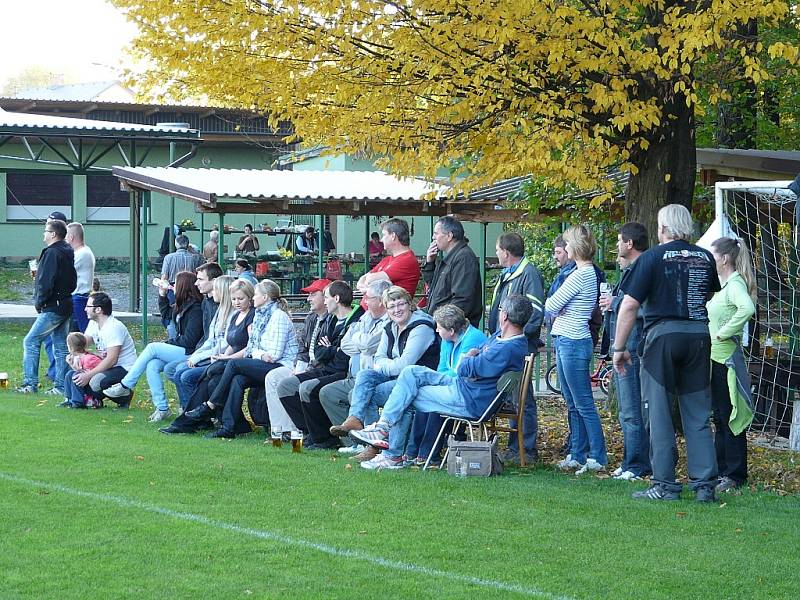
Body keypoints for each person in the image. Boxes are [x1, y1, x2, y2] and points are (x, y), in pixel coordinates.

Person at [348, 294, 531, 470]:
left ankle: (392, 454)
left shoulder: (507, 348)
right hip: (464, 387)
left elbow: (464, 368)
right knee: (411, 372)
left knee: (406, 395)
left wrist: (469, 358)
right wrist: (472, 358)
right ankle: (383, 429)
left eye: (499, 309)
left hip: (469, 400)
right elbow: (471, 363)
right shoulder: (503, 338)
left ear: (504, 315)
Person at [613, 204, 721, 502]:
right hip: (699, 336)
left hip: (662, 338)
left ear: (662, 229)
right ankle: (704, 487)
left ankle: (665, 485)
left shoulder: (651, 258)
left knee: (659, 412)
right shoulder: (705, 257)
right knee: (698, 413)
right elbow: (709, 292)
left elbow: (630, 305)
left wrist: (619, 348)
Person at [330, 285, 439, 466]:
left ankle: (382, 449)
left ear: (410, 304)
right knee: (365, 375)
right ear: (386, 309)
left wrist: (385, 366)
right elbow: (378, 358)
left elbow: (405, 365)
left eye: (401, 304)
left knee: (373, 394)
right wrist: (386, 365)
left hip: (419, 381)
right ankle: (355, 420)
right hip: (398, 377)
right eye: (392, 306)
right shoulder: (390, 326)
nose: (397, 310)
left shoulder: (421, 327)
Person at [181, 279, 299, 438]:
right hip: (262, 362)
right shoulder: (260, 314)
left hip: (280, 366)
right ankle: (229, 427)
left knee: (233, 364)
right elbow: (252, 347)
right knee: (237, 379)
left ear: (265, 297)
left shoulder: (278, 316)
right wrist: (258, 352)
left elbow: (274, 355)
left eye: (255, 295)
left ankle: (211, 404)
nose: (253, 298)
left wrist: (257, 353)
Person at [545, 225, 608, 475]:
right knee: (572, 402)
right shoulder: (582, 273)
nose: (566, 248)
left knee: (583, 402)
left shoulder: (581, 274)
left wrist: (560, 308)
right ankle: (577, 453)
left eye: (568, 244)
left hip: (573, 340)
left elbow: (551, 304)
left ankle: (597, 455)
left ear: (576, 248)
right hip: (567, 339)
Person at [103, 271, 204, 421]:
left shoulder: (195, 309)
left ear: (183, 286)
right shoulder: (182, 305)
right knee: (152, 365)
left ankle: (125, 385)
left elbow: (190, 340)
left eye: (176, 283)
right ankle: (162, 408)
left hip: (192, 353)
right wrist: (162, 295)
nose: (173, 286)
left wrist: (167, 343)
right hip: (183, 349)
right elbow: (166, 314)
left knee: (152, 348)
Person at [160, 279, 255, 434]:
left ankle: (194, 418)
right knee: (208, 378)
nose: (237, 302)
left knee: (206, 377)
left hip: (244, 362)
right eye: (234, 299)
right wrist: (224, 355)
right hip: (228, 360)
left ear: (250, 298)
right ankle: (192, 420)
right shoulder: (236, 315)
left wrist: (226, 358)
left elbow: (249, 347)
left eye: (241, 299)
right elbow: (232, 342)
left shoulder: (252, 316)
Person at [277, 280, 364, 449]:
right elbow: (318, 352)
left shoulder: (357, 320)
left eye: (326, 297)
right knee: (285, 386)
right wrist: (333, 349)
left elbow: (343, 359)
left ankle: (324, 438)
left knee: (307, 388)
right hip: (324, 368)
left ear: (336, 298)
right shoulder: (329, 320)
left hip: (342, 373)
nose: (324, 301)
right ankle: (310, 432)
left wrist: (330, 349)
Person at [402, 304, 487, 467]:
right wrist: (440, 378)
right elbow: (442, 368)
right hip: (451, 383)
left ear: (452, 330)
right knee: (422, 395)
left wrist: (439, 378)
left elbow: (460, 372)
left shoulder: (473, 339)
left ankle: (428, 454)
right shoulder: (447, 340)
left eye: (439, 328)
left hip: (468, 390)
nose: (436, 331)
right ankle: (413, 451)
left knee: (432, 402)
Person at [598, 222, 651, 481]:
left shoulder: (644, 269)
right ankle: (632, 460)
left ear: (630, 244)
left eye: (620, 241)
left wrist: (615, 302)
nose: (617, 246)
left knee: (632, 409)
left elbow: (644, 306)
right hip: (625, 347)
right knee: (626, 409)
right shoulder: (631, 270)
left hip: (632, 348)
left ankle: (637, 464)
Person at [488, 231, 545, 463]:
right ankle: (514, 447)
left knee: (522, 398)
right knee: (511, 396)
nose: (496, 254)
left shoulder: (529, 274)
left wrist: (518, 337)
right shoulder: (508, 274)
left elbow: (536, 312)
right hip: (505, 343)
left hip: (518, 346)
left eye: (497, 250)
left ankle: (526, 450)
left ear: (507, 252)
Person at [707, 237, 757, 494]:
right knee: (720, 416)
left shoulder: (735, 284)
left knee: (730, 417)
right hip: (716, 360)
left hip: (726, 362)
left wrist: (723, 333)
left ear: (724, 258)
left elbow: (747, 308)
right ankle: (722, 469)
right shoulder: (723, 286)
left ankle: (735, 474)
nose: (710, 259)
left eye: (712, 255)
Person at [319, 280, 391, 452]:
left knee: (356, 394)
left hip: (377, 377)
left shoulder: (389, 320)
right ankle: (354, 443)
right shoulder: (366, 316)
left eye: (368, 297)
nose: (364, 301)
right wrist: (362, 342)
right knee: (327, 393)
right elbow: (345, 344)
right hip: (355, 375)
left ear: (381, 300)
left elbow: (368, 345)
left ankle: (371, 445)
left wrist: (359, 340)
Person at [263, 278, 333, 437]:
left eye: (313, 295)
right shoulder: (311, 318)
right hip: (304, 366)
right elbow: (303, 349)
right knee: (273, 377)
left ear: (326, 296)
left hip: (320, 370)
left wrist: (304, 370)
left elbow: (325, 356)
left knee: (291, 383)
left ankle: (299, 429)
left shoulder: (332, 319)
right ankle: (283, 430)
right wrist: (299, 369)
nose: (308, 299)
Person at [17, 219, 77, 395]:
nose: (43, 234)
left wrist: (40, 301)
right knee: (61, 346)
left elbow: (46, 281)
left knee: (31, 341)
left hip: (53, 306)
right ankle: (60, 387)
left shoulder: (52, 252)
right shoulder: (67, 251)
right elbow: (70, 279)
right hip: (65, 303)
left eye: (46, 230)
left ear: (53, 234)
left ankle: (29, 383)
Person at [166, 272, 235, 409]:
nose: (212, 292)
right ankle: (189, 411)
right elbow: (210, 340)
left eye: (215, 289)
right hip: (210, 355)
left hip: (220, 358)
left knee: (183, 374)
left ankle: (193, 413)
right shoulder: (220, 311)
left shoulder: (232, 314)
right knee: (174, 370)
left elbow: (222, 345)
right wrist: (197, 356)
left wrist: (198, 357)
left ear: (222, 292)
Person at [59, 292, 137, 409]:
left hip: (123, 368)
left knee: (96, 381)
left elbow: (112, 360)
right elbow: (82, 343)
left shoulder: (113, 327)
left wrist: (88, 374)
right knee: (73, 375)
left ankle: (124, 395)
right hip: (106, 365)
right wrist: (74, 354)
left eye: (88, 306)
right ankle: (76, 400)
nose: (85, 309)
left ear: (98, 310)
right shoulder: (94, 323)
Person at [421, 215, 482, 327]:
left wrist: (443, 324)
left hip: (454, 330)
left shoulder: (463, 258)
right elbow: (434, 288)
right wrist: (430, 263)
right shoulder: (451, 256)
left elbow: (462, 299)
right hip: (445, 328)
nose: (433, 237)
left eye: (436, 233)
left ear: (449, 236)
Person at [355, 218, 421, 305]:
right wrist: (368, 287)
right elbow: (362, 279)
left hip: (391, 314)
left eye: (384, 235)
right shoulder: (388, 259)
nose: (381, 240)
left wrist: (367, 287)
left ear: (393, 236)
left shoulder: (407, 260)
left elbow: (369, 278)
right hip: (372, 313)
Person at [65, 222, 95, 333]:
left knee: (76, 335)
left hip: (79, 298)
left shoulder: (82, 254)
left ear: (71, 237)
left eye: (66, 236)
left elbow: (64, 272)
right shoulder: (82, 252)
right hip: (77, 298)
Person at [60, 332, 103, 408]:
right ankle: (69, 399)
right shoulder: (78, 358)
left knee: (75, 375)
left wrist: (74, 367)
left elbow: (87, 373)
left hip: (94, 387)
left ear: (71, 348)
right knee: (70, 374)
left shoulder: (89, 358)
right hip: (85, 383)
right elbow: (79, 371)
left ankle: (78, 402)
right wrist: (71, 364)